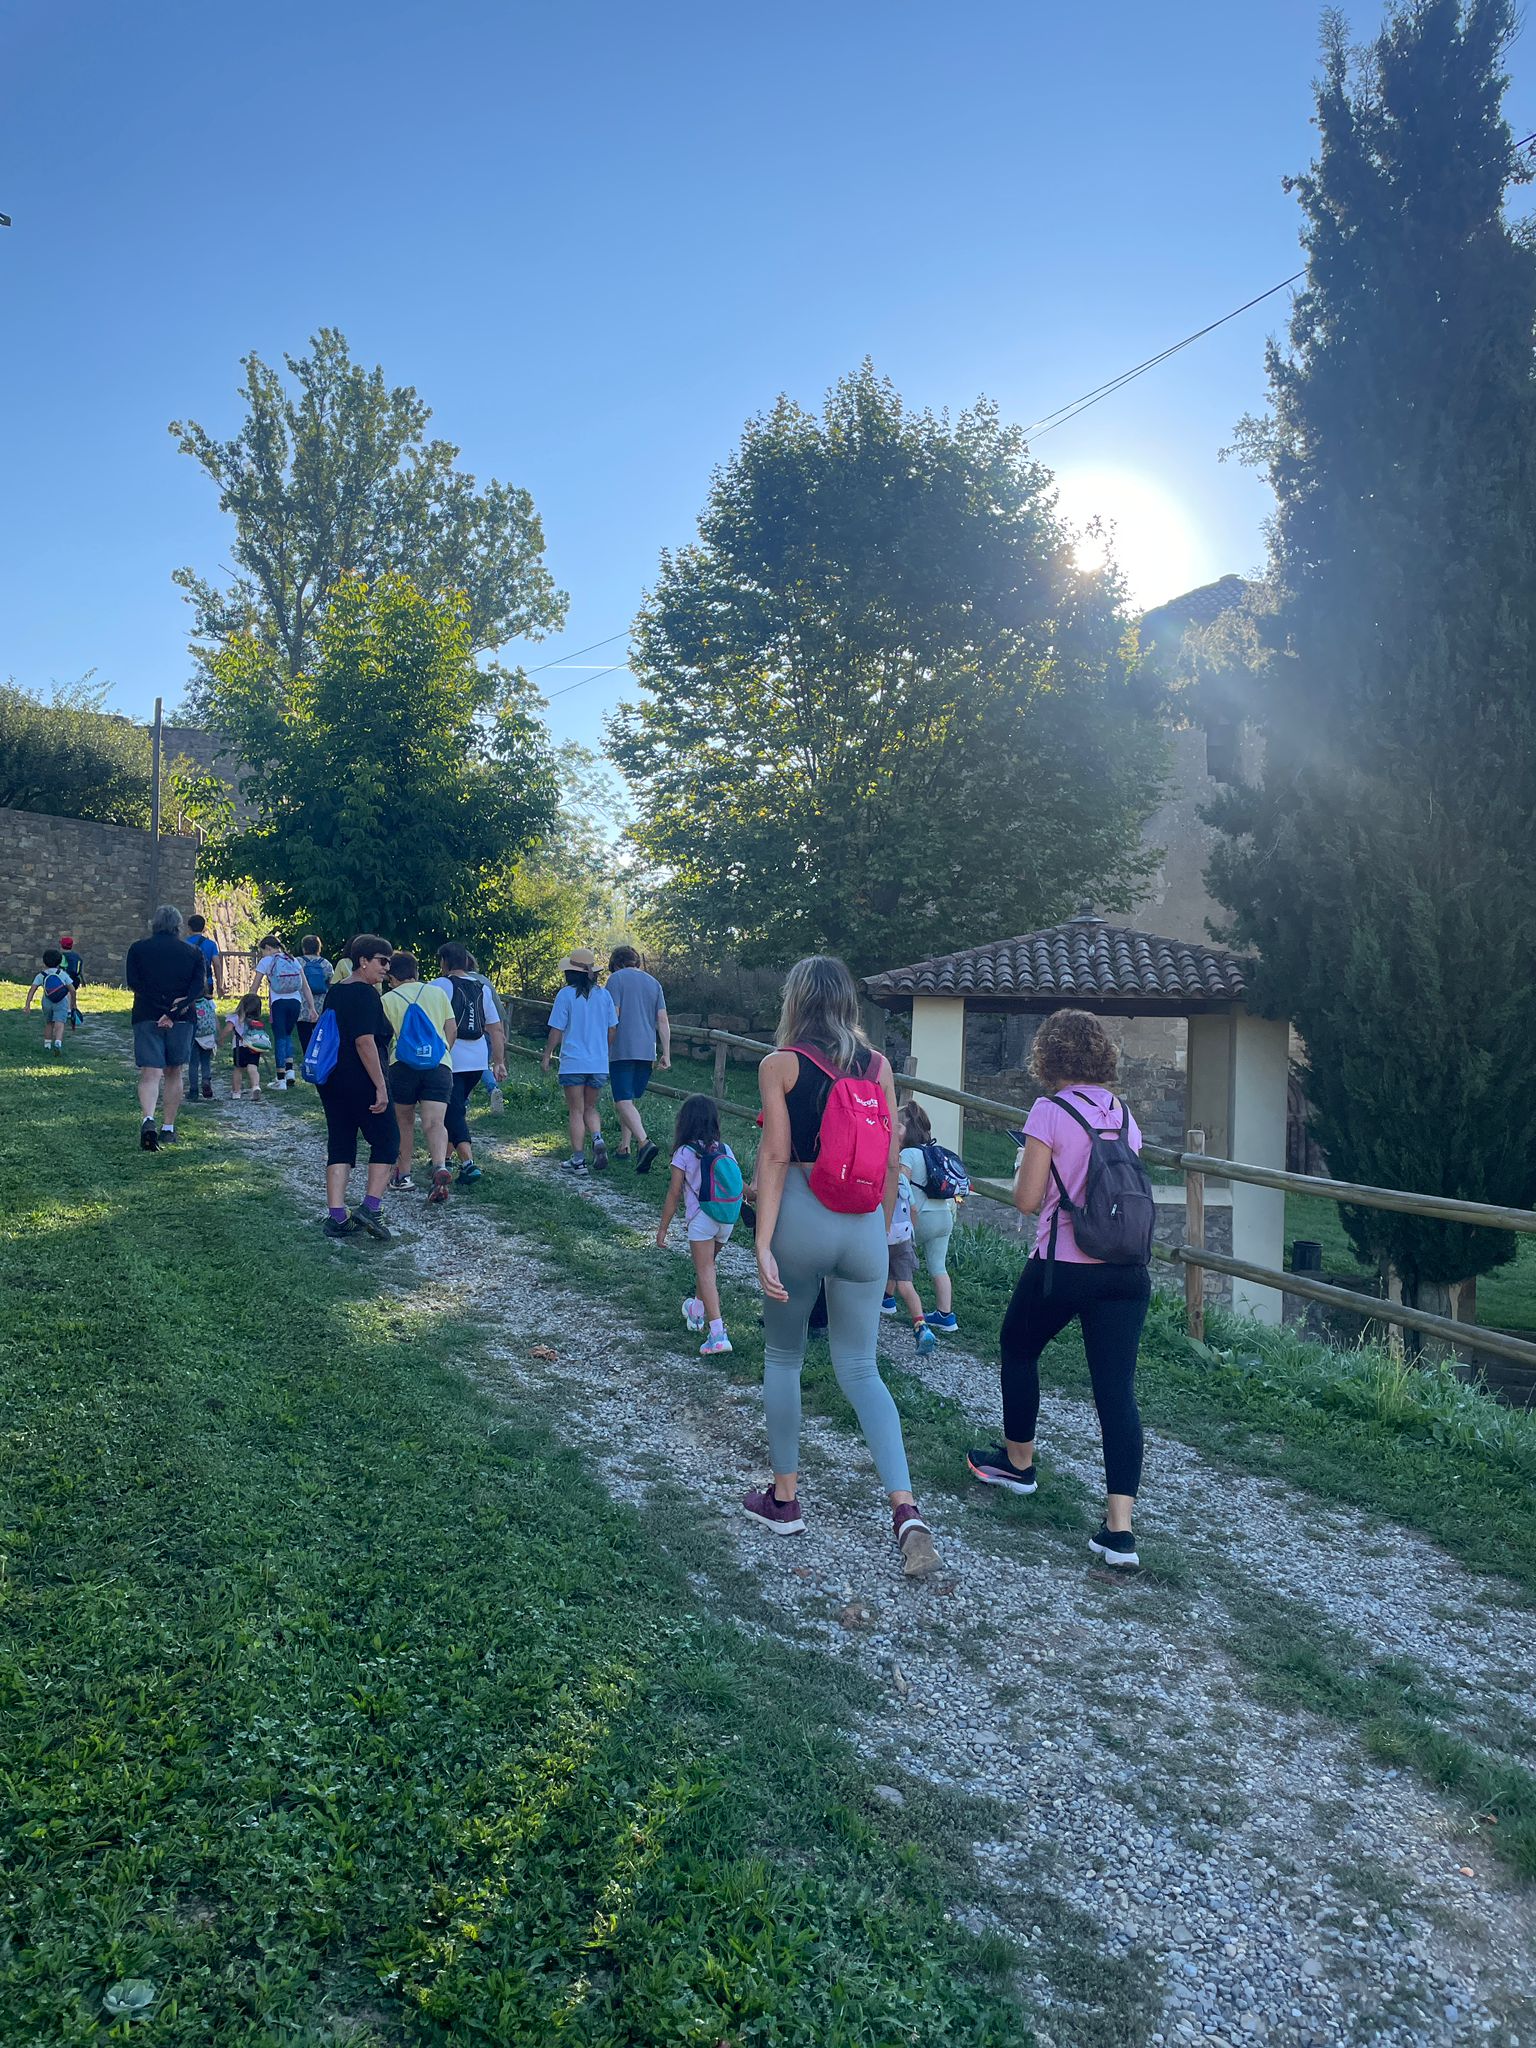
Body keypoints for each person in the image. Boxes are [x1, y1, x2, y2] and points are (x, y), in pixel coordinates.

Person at [749, 955, 939, 1576]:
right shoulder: (878, 1067)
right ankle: (906, 1510)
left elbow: (775, 1158)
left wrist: (763, 1243)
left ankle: (784, 1500)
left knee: (784, 1357)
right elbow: (889, 1161)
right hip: (862, 1227)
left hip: (801, 1221)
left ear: (796, 1001)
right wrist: (878, 1237)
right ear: (848, 1004)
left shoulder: (779, 1065)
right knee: (861, 1369)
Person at [966, 1008, 1152, 1570]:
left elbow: (1026, 1200)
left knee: (1019, 1346)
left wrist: (1025, 1162)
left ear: (1048, 1054)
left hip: (1063, 1265)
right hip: (1127, 1270)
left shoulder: (1049, 1110)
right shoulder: (1122, 1113)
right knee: (1116, 1392)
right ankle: (1119, 1533)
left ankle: (1019, 1464)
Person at [316, 935, 399, 1240]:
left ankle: (337, 1216)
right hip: (361, 1079)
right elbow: (364, 1042)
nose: (387, 968)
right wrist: (380, 1085)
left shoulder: (336, 990)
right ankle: (371, 1208)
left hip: (332, 1079)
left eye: (389, 962)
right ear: (363, 961)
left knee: (340, 1141)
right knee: (388, 1140)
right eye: (382, 961)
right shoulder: (366, 994)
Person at [656, 1093, 740, 1356]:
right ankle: (696, 1311)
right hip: (726, 1218)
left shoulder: (684, 1152)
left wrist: (663, 1228)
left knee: (705, 1270)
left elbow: (674, 1193)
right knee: (707, 1266)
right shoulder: (725, 1150)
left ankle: (718, 1334)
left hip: (701, 1219)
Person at [124, 905, 206, 1150]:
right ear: (179, 925)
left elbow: (134, 983)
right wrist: (172, 1012)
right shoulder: (193, 952)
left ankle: (148, 1118)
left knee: (150, 1072)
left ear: (155, 924)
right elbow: (198, 988)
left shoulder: (138, 949)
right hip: (181, 1018)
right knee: (174, 1071)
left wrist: (159, 1008)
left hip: (147, 1015)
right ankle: (168, 1128)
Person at [381, 951, 457, 1203]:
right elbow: (451, 1029)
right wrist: (444, 1051)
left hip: (402, 1066)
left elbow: (384, 1038)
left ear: (391, 977)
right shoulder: (437, 993)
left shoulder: (387, 999)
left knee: (404, 1121)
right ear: (416, 971)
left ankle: (403, 1175)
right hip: (438, 1065)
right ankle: (439, 1165)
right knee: (435, 1122)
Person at [430, 943, 507, 1184]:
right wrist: (498, 1062)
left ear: (444, 961)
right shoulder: (481, 987)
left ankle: (468, 1163)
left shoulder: (439, 985)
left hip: (450, 1059)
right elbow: (496, 1029)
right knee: (455, 1108)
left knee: (453, 1112)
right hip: (477, 1061)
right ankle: (446, 1157)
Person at [541, 948, 618, 1175]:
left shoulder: (565, 995)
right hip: (598, 1063)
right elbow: (612, 1029)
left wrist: (547, 1055)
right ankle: (597, 1137)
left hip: (573, 1062)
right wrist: (603, 1049)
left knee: (576, 1110)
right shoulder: (604, 996)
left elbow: (556, 1030)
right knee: (590, 1107)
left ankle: (579, 1160)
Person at [605, 943, 671, 1172]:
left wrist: (605, 1045)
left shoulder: (615, 980)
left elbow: (613, 1015)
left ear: (616, 964)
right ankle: (624, 1146)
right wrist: (666, 1053)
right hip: (647, 1050)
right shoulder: (654, 983)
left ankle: (644, 1143)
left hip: (622, 1048)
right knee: (629, 1099)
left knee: (622, 1101)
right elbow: (662, 1020)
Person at [897, 1101, 961, 1334]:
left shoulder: (908, 1154)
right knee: (938, 1266)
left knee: (894, 1251)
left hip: (920, 1216)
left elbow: (901, 1185)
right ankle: (945, 1316)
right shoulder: (935, 1152)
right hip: (944, 1217)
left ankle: (886, 1299)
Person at [884, 1157, 940, 1356]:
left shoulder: (876, 1175)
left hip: (882, 1236)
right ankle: (921, 1326)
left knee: (872, 1280)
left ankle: (865, 1326)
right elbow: (913, 1209)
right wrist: (911, 1234)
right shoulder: (901, 1179)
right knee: (906, 1284)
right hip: (903, 1237)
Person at [250, 935, 315, 1089]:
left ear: (268, 948)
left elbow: (255, 986)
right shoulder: (292, 959)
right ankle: (290, 1072)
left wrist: (247, 1006)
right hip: (296, 1002)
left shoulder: (266, 961)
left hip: (278, 1002)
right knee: (287, 1034)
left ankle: (280, 1079)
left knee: (279, 1037)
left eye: (262, 951)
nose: (263, 954)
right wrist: (312, 1007)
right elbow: (305, 986)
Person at [24, 947, 74, 1056]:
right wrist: (73, 1004)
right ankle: (58, 1043)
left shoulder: (41, 975)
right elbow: (72, 989)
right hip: (61, 1001)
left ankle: (47, 1045)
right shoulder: (62, 974)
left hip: (47, 1002)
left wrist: (27, 1004)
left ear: (44, 962)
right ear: (59, 962)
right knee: (60, 1023)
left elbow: (32, 989)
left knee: (49, 1023)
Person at [219, 994, 268, 1099]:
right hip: (254, 1047)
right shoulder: (257, 1021)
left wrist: (221, 1039)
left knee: (238, 1069)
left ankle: (236, 1092)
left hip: (239, 1047)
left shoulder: (235, 1017)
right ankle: (255, 1086)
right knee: (253, 1067)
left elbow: (228, 1029)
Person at [296, 936, 334, 1062]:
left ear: (304, 948)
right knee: (320, 1035)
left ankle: (307, 1058)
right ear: (319, 948)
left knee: (304, 1035)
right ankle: (319, 1058)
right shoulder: (325, 963)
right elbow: (331, 982)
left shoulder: (298, 962)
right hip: (320, 1005)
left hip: (303, 1005)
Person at [184, 913, 224, 998]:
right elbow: (217, 964)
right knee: (206, 1004)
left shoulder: (184, 944)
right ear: (203, 928)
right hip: (206, 982)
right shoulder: (211, 944)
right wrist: (219, 985)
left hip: (188, 982)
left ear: (189, 928)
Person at [188, 993, 218, 1100]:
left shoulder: (189, 1003)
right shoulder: (209, 1001)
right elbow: (214, 1018)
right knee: (206, 1061)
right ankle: (206, 1080)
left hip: (193, 1036)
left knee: (193, 1064)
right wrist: (216, 1035)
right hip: (207, 1036)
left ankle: (193, 1091)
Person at [58, 933, 84, 1027]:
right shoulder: (76, 956)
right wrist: (83, 980)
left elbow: (61, 967)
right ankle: (73, 1008)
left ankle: (69, 1011)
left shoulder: (63, 956)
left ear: (62, 946)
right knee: (72, 993)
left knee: (67, 994)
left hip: (67, 978)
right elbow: (79, 969)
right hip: (76, 978)